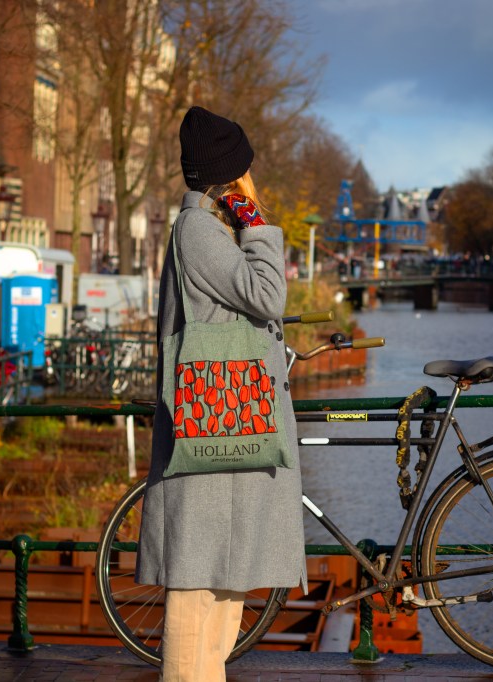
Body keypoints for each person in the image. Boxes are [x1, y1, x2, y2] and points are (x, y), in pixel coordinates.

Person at [135, 106, 305, 682]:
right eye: (246, 172)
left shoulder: (207, 230)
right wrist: (255, 221)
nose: (252, 180)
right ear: (231, 176)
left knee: (226, 583)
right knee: (195, 586)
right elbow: (267, 295)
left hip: (231, 423)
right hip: (215, 424)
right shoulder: (200, 232)